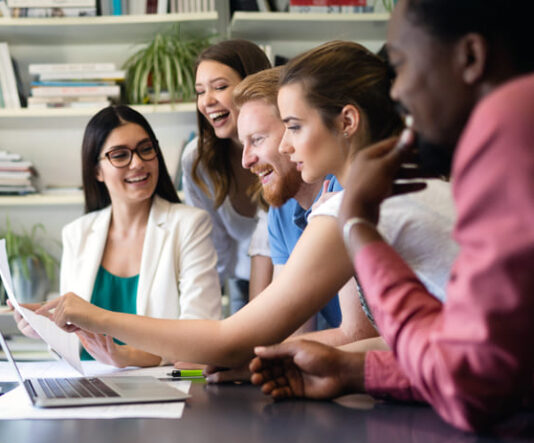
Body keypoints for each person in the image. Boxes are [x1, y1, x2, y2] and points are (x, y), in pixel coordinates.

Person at [31, 40, 453, 372]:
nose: (285, 145)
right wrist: (330, 367)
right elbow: (415, 334)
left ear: (347, 121)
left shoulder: (349, 203)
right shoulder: (399, 182)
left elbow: (231, 338)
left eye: (294, 127)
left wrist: (94, 316)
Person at [250, 0, 534, 433]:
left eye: (401, 66)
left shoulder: (507, 124)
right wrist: (354, 372)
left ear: (471, 57)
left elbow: (473, 387)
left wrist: (359, 227)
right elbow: (487, 363)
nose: (397, 93)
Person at [15, 105, 222, 367]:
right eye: (120, 155)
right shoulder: (76, 234)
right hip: (89, 386)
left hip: (163, 386)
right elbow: (76, 340)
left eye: (146, 149)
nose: (138, 163)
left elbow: (200, 339)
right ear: (96, 171)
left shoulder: (190, 225)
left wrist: (124, 357)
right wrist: (47, 328)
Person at [235, 66, 343, 332]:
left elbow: (361, 333)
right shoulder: (281, 212)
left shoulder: (343, 190)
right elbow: (291, 326)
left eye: (257, 140)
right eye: (243, 144)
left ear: (292, 129)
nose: (245, 160)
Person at [181, 39, 272, 313]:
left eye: (220, 87)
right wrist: (196, 318)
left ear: (255, 86)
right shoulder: (198, 161)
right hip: (243, 284)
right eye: (200, 91)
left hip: (300, 281)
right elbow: (212, 249)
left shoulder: (287, 149)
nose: (207, 101)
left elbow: (272, 242)